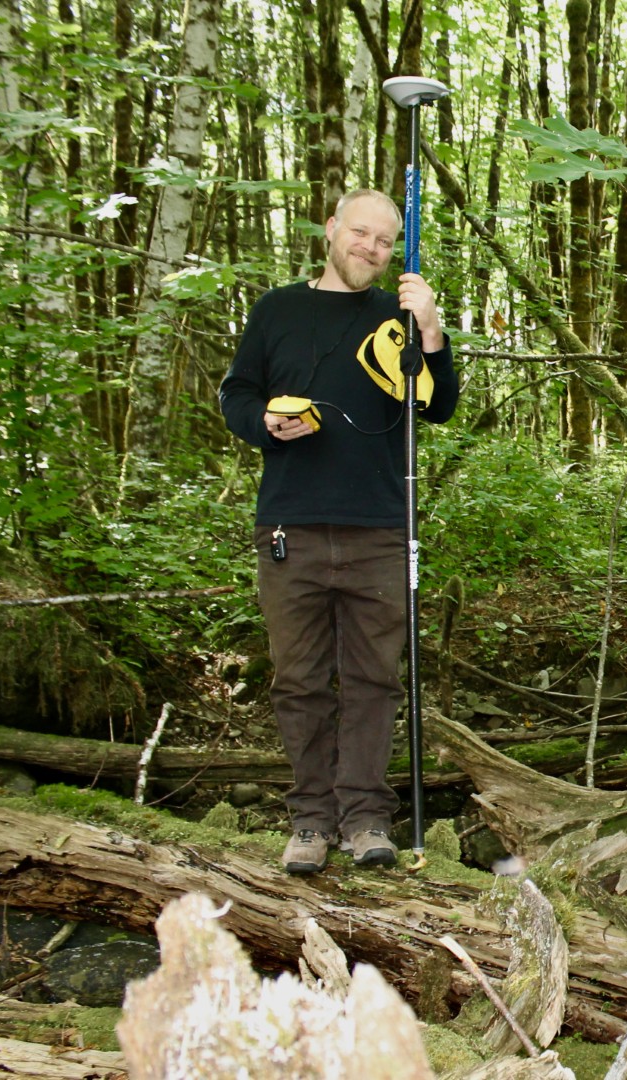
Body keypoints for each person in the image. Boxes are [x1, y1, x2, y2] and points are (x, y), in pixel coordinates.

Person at [219, 188, 460, 874]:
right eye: (361, 234)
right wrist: (264, 420)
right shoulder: (276, 310)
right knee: (297, 680)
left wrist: (433, 331)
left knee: (372, 680)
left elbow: (438, 405)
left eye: (385, 242)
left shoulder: (399, 315)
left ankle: (364, 818)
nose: (372, 249)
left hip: (379, 527)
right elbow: (236, 390)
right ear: (332, 230)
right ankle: (310, 820)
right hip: (290, 525)